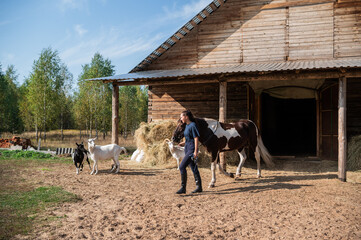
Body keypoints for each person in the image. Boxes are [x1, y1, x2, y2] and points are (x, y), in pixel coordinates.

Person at [176, 110, 202, 194]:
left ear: (186, 117)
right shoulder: (187, 126)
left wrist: (195, 151)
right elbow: (189, 138)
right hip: (187, 147)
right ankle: (199, 187)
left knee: (181, 166)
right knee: (193, 167)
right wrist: (183, 143)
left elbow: (196, 138)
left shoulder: (192, 125)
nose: (181, 118)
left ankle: (183, 188)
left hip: (191, 148)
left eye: (181, 117)